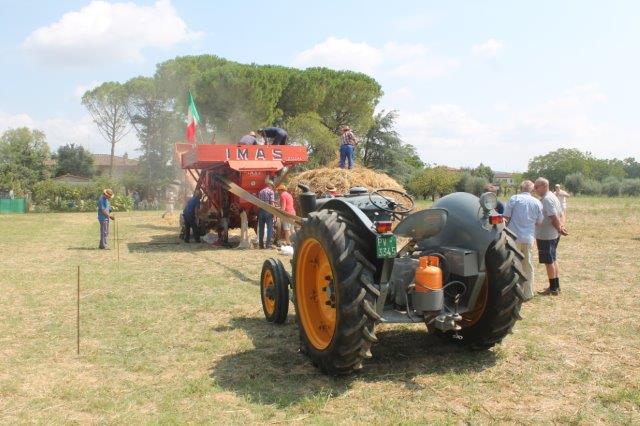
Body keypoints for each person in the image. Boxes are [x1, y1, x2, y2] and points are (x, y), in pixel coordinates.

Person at [503, 180, 543, 301]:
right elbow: (539, 222)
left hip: (513, 237)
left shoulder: (514, 199)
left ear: (521, 188)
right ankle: (528, 292)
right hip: (528, 237)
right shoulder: (537, 202)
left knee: (512, 264)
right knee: (528, 265)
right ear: (532, 189)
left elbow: (506, 217)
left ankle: (513, 291)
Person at [534, 177, 569, 296]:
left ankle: (553, 288)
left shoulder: (547, 199)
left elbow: (553, 217)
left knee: (549, 262)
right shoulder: (552, 196)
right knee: (553, 259)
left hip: (547, 236)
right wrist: (561, 227)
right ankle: (556, 286)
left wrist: (560, 228)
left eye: (537, 187)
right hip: (552, 234)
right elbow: (561, 213)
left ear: (544, 186)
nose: (535, 189)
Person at [257, 180, 275, 249]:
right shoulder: (271, 191)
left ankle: (261, 245)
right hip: (268, 211)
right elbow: (272, 203)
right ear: (270, 185)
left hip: (261, 211)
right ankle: (268, 245)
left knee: (261, 229)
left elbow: (258, 203)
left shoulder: (261, 191)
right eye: (272, 186)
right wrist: (274, 213)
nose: (272, 187)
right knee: (269, 228)